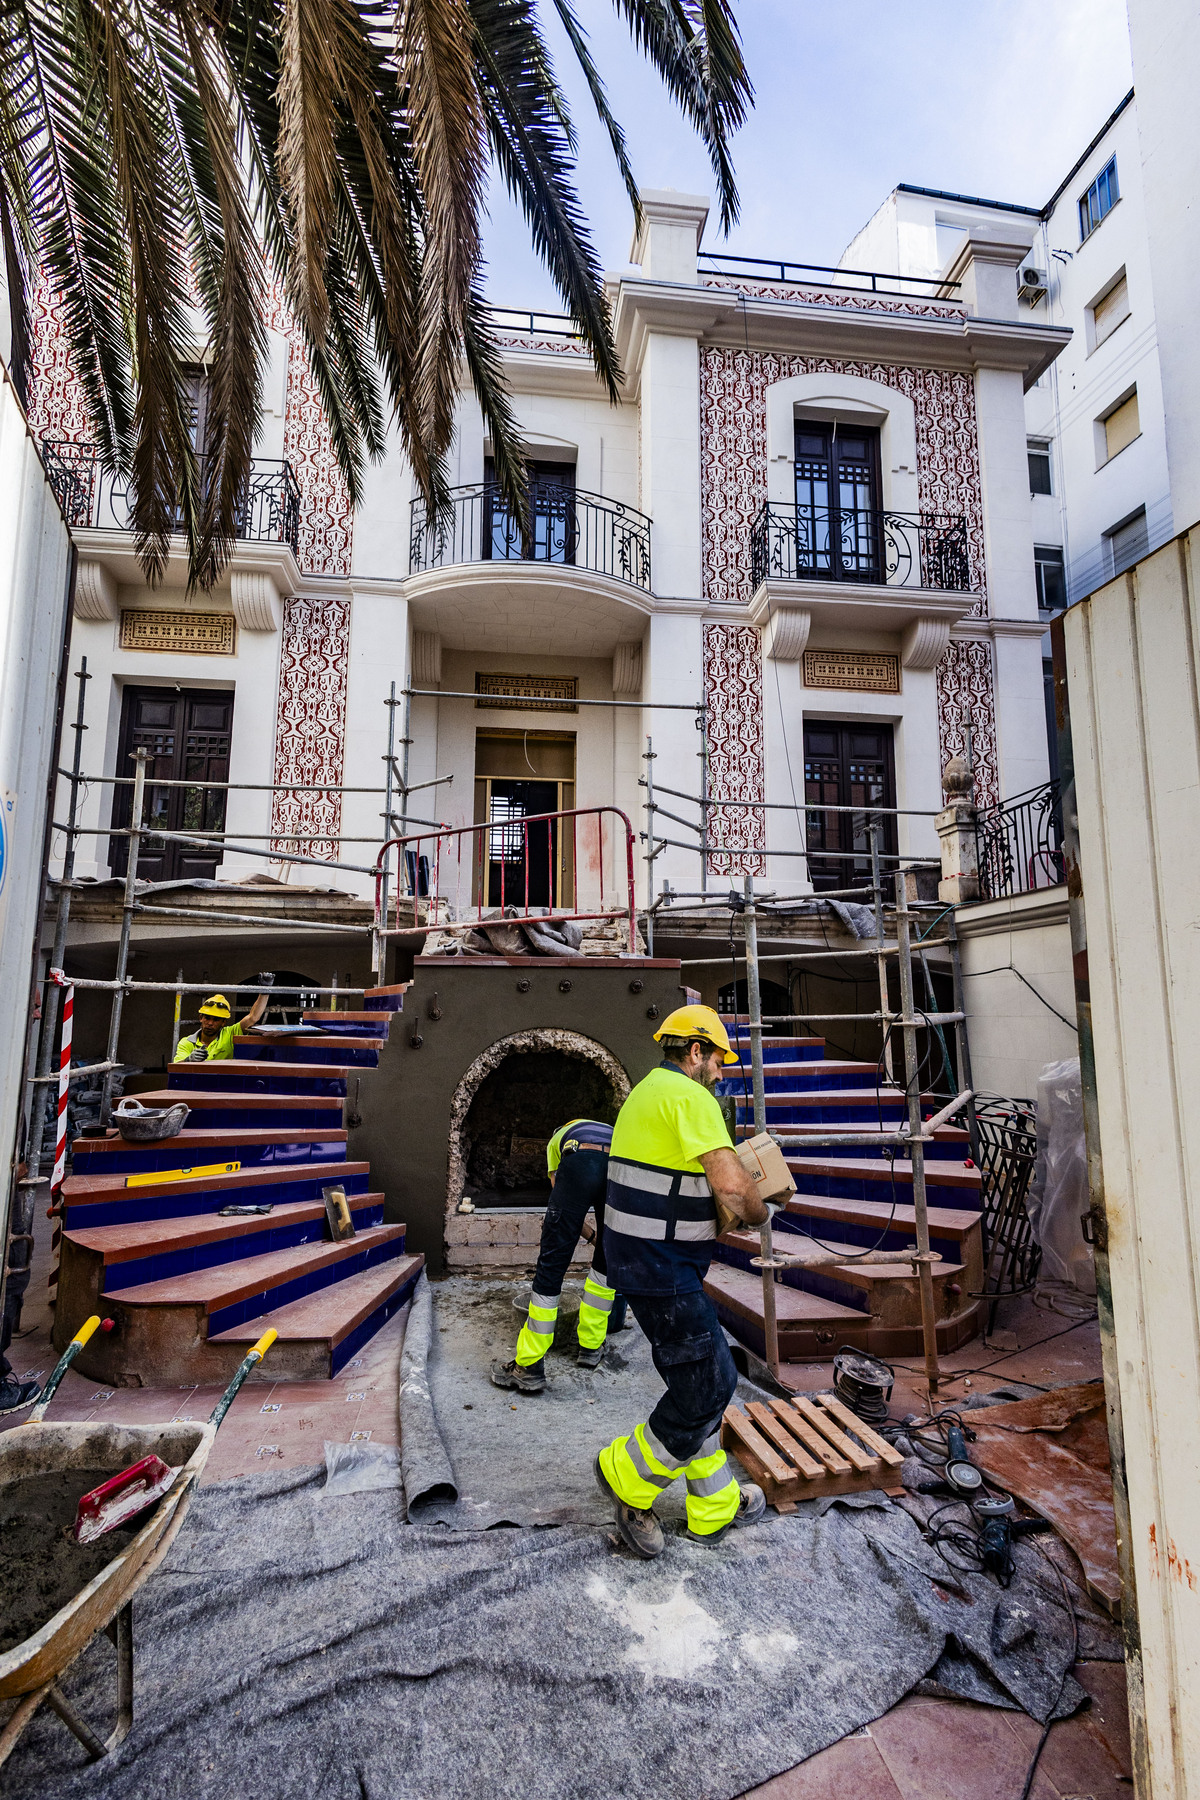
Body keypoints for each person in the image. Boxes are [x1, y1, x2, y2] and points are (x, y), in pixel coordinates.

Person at [594, 1004, 772, 1558]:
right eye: (718, 1059)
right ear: (695, 1052)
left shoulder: (644, 1092)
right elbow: (736, 1191)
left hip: (641, 1262)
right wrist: (764, 1211)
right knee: (709, 1386)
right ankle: (626, 1476)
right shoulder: (691, 1097)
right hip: (662, 1267)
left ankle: (714, 1504)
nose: (720, 1072)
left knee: (704, 1381)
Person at [491, 1117, 628, 1394]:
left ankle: (528, 1365)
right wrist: (599, 1240)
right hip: (621, 1165)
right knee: (605, 1262)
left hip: (580, 1162)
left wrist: (580, 1234)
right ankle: (590, 1346)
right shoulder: (610, 1130)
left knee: (552, 1264)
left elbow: (565, 1213)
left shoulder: (559, 1141)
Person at [175, 976, 274, 1062]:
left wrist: (264, 991)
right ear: (201, 1018)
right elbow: (176, 1068)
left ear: (223, 1022)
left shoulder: (230, 1034)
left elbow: (253, 1018)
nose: (210, 1023)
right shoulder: (187, 1042)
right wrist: (188, 1060)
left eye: (216, 1020)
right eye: (207, 1018)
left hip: (223, 1082)